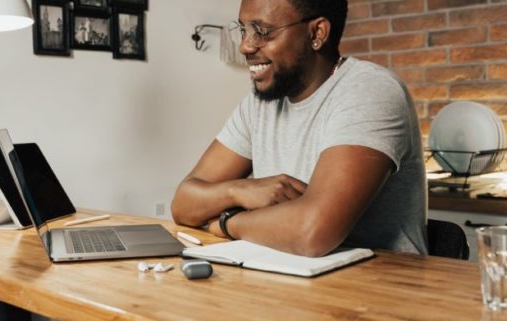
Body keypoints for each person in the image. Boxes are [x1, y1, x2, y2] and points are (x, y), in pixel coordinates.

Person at [171, 0, 427, 257]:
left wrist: (227, 222)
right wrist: (238, 190)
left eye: (262, 32)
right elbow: (183, 203)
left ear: (317, 34)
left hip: (381, 289)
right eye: (243, 30)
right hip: (287, 281)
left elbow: (311, 232)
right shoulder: (257, 107)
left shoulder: (369, 90)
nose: (245, 45)